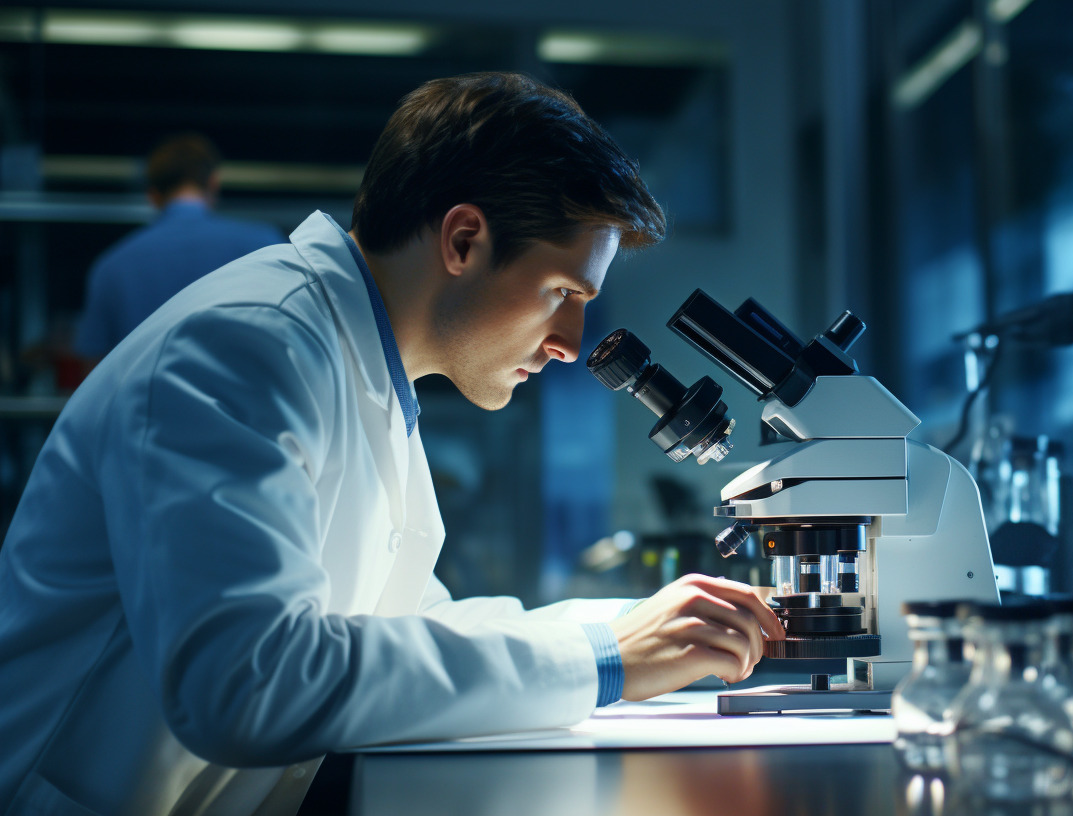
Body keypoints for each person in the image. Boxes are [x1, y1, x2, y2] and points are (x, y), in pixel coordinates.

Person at [0, 72, 784, 814]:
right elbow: (246, 685)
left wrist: (622, 630)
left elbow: (402, 631)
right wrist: (604, 663)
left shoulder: (358, 367)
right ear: (465, 240)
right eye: (561, 292)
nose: (572, 344)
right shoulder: (247, 346)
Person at [72, 132, 282, 362]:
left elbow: (92, 372)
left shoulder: (110, 267)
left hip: (147, 399)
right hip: (245, 398)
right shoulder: (266, 246)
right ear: (213, 183)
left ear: (152, 196)